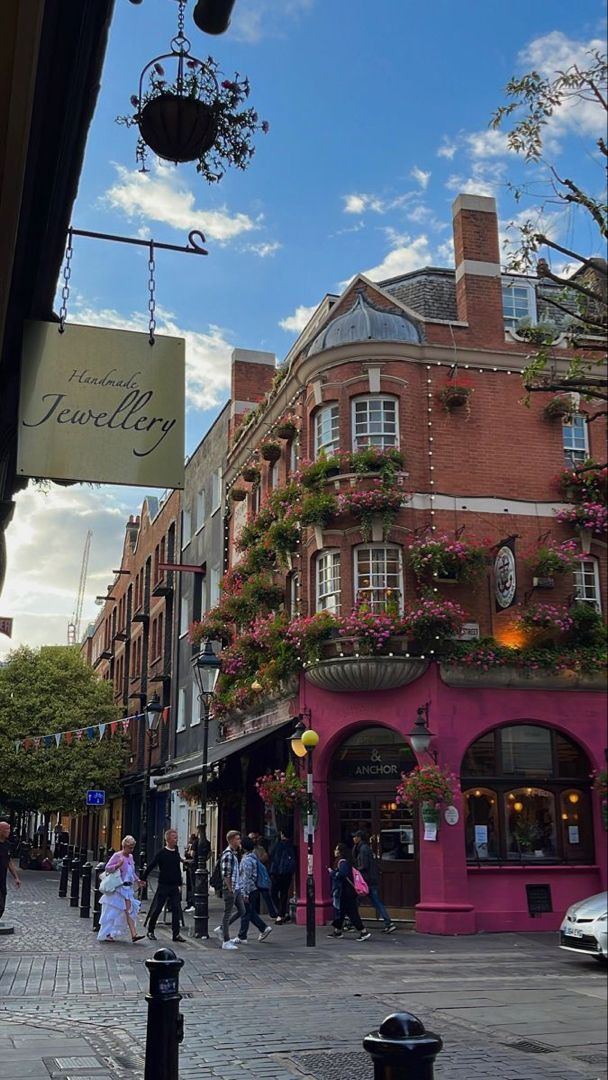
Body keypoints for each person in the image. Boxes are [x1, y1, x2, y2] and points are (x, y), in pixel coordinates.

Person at [97, 835, 144, 944]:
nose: (131, 850)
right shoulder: (117, 855)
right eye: (129, 847)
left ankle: (133, 934)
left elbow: (131, 872)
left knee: (128, 911)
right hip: (118, 888)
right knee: (113, 911)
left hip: (127, 889)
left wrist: (138, 880)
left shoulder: (131, 857)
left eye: (133, 847)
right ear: (124, 846)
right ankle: (111, 933)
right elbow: (107, 868)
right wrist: (118, 865)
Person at [141, 828, 186, 943]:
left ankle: (176, 934)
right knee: (157, 908)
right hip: (164, 885)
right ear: (168, 839)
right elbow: (151, 865)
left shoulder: (176, 852)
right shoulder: (161, 853)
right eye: (174, 838)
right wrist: (143, 878)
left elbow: (177, 869)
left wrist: (179, 884)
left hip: (174, 886)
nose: (177, 840)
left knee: (176, 909)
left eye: (176, 837)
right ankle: (150, 931)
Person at [229, 837, 273, 943]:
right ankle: (262, 928)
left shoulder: (246, 860)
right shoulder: (253, 857)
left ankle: (242, 936)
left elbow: (246, 878)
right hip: (253, 890)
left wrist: (245, 894)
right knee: (248, 912)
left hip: (249, 890)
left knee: (245, 913)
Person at [352, 830, 396, 934]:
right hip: (370, 879)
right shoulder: (363, 848)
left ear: (359, 838)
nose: (353, 838)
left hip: (366, 880)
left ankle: (351, 922)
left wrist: (355, 870)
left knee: (356, 901)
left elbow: (364, 865)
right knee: (375, 902)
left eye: (355, 837)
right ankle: (388, 923)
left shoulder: (363, 849)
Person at [327, 843, 370, 942]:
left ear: (340, 851)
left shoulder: (342, 862)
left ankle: (363, 931)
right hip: (346, 892)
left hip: (346, 892)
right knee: (341, 912)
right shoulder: (346, 862)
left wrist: (332, 873)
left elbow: (342, 875)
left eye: (336, 849)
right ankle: (337, 930)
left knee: (352, 913)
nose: (335, 851)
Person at [215, 829, 246, 950]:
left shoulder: (234, 853)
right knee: (227, 914)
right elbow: (226, 874)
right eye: (238, 839)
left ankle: (222, 928)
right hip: (231, 889)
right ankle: (226, 941)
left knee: (242, 911)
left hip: (236, 887)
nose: (239, 841)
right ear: (232, 840)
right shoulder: (228, 854)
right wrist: (230, 889)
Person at [270, 830, 296, 924]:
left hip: (277, 873)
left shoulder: (279, 845)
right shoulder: (291, 846)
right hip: (287, 873)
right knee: (284, 893)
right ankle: (282, 913)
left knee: (273, 893)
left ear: (282, 834)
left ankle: (281, 914)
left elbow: (272, 855)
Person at [0, 821, 21, 922]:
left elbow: (9, 861)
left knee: (1, 907)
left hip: (2, 879)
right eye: (6, 829)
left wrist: (16, 877)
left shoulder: (8, 845)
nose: (9, 831)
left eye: (9, 829)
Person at [184, 832, 198, 913]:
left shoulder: (193, 844)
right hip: (197, 865)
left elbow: (192, 854)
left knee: (192, 885)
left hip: (192, 867)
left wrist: (188, 852)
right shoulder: (205, 842)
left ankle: (193, 903)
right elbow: (209, 853)